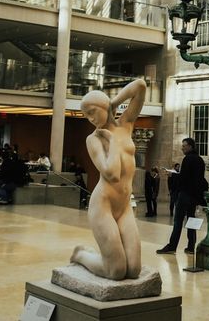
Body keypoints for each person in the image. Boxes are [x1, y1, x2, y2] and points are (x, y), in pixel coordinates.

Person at [69, 79, 147, 280]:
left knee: (134, 269)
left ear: (104, 106)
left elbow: (140, 86)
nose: (91, 119)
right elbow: (111, 173)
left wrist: (113, 102)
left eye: (92, 112)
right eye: (86, 116)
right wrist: (111, 141)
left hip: (124, 206)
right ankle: (81, 255)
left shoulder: (126, 124)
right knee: (117, 271)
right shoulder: (94, 139)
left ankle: (91, 255)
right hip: (103, 205)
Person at [157, 138, 207, 255]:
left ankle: (172, 246)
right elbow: (197, 179)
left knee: (178, 221)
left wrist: (172, 175)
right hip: (194, 196)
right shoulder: (200, 160)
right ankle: (191, 247)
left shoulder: (187, 159)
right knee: (191, 219)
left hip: (185, 194)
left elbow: (184, 179)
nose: (182, 148)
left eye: (184, 146)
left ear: (190, 146)